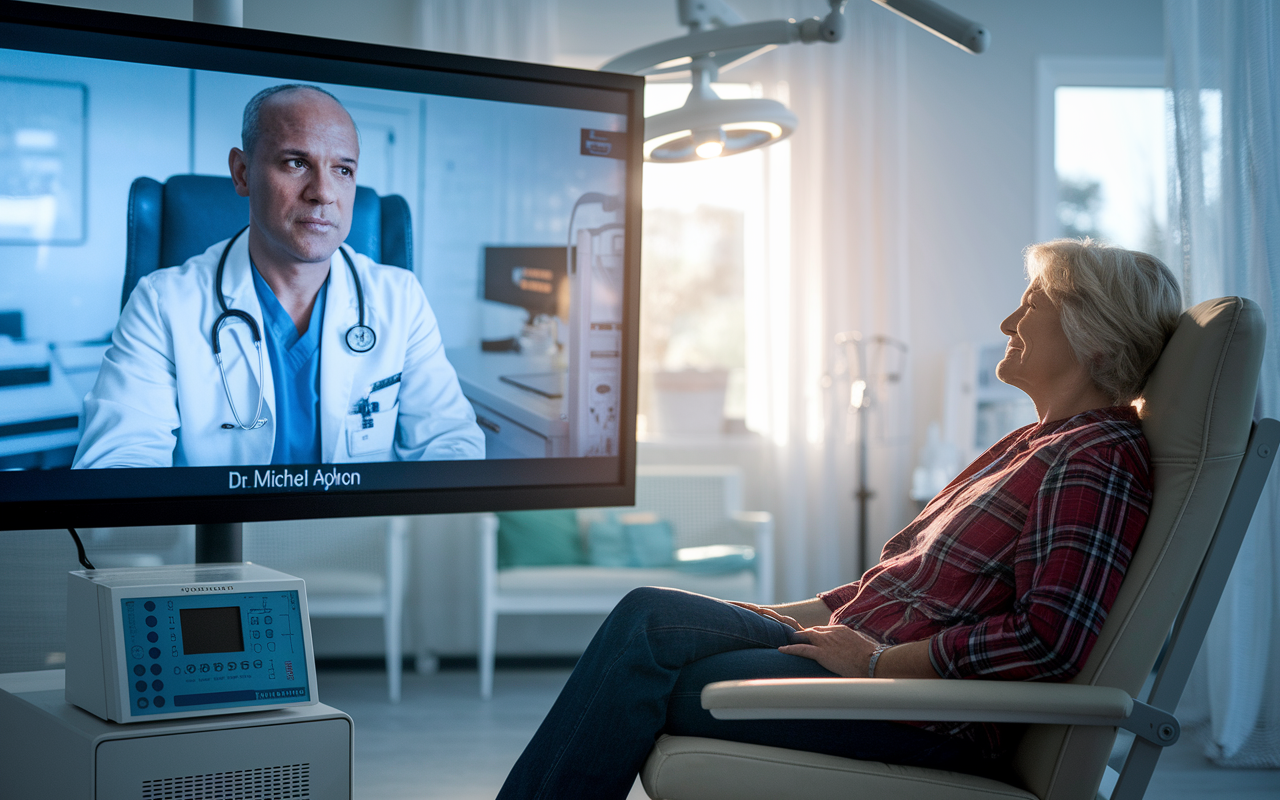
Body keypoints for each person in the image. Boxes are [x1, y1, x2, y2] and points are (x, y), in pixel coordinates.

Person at [496, 239, 1183, 799]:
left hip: (922, 711)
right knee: (652, 617)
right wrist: (777, 617)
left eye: (1030, 306)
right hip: (856, 651)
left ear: (1094, 336)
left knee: (663, 676)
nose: (1007, 323)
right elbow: (898, 588)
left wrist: (881, 664)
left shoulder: (1096, 459)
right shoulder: (1037, 443)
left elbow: (1048, 642)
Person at [74, 84, 484, 468]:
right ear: (242, 173)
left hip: (362, 537)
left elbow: (451, 443)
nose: (323, 192)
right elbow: (117, 465)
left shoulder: (401, 298)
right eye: (296, 163)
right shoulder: (162, 303)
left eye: (343, 170)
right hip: (217, 538)